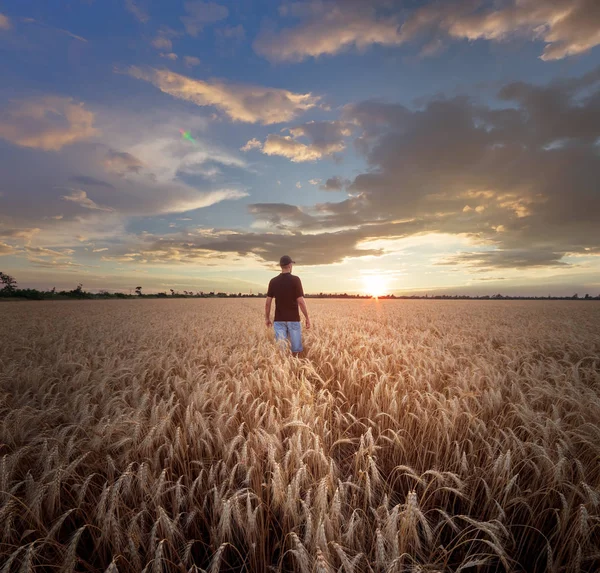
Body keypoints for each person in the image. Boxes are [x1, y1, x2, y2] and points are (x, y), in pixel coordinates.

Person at [265, 255, 310, 356]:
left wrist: (267, 318)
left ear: (281, 266)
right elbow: (301, 301)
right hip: (293, 319)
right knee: (296, 350)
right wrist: (307, 317)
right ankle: (295, 369)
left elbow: (268, 303)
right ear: (290, 265)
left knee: (281, 350)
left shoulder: (273, 281)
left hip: (279, 320)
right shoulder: (295, 280)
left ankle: (283, 370)